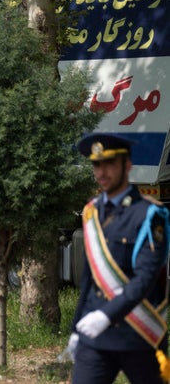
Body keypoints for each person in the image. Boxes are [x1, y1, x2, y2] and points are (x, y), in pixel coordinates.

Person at [66, 133, 170, 384]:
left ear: (127, 165)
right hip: (96, 339)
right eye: (96, 165)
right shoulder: (91, 212)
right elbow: (89, 279)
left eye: (109, 164)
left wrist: (106, 316)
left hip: (139, 334)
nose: (102, 172)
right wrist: (76, 329)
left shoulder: (149, 214)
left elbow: (145, 278)